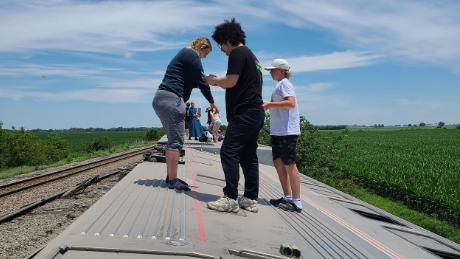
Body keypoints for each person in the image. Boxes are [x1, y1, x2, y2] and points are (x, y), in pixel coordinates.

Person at [205, 18, 264, 213]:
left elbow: (231, 81)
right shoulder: (252, 56)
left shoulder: (238, 53)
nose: (221, 49)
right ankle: (249, 199)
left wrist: (212, 81)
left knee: (228, 151)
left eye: (221, 44)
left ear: (228, 40)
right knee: (248, 156)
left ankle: (230, 197)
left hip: (245, 112)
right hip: (256, 113)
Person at [152, 37, 218, 191]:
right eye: (205, 54)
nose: (204, 57)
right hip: (172, 100)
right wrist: (212, 102)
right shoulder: (192, 55)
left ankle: (171, 176)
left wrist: (210, 81)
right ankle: (173, 180)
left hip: (162, 98)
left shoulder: (184, 54)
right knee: (176, 142)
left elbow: (193, 81)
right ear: (202, 47)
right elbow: (201, 82)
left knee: (173, 140)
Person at [263, 59, 302, 213]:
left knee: (289, 164)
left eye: (273, 70)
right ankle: (287, 196)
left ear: (282, 71)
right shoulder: (279, 85)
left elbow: (290, 103)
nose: (270, 72)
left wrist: (269, 105)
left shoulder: (285, 84)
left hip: (287, 131)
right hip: (279, 131)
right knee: (278, 162)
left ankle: (297, 201)